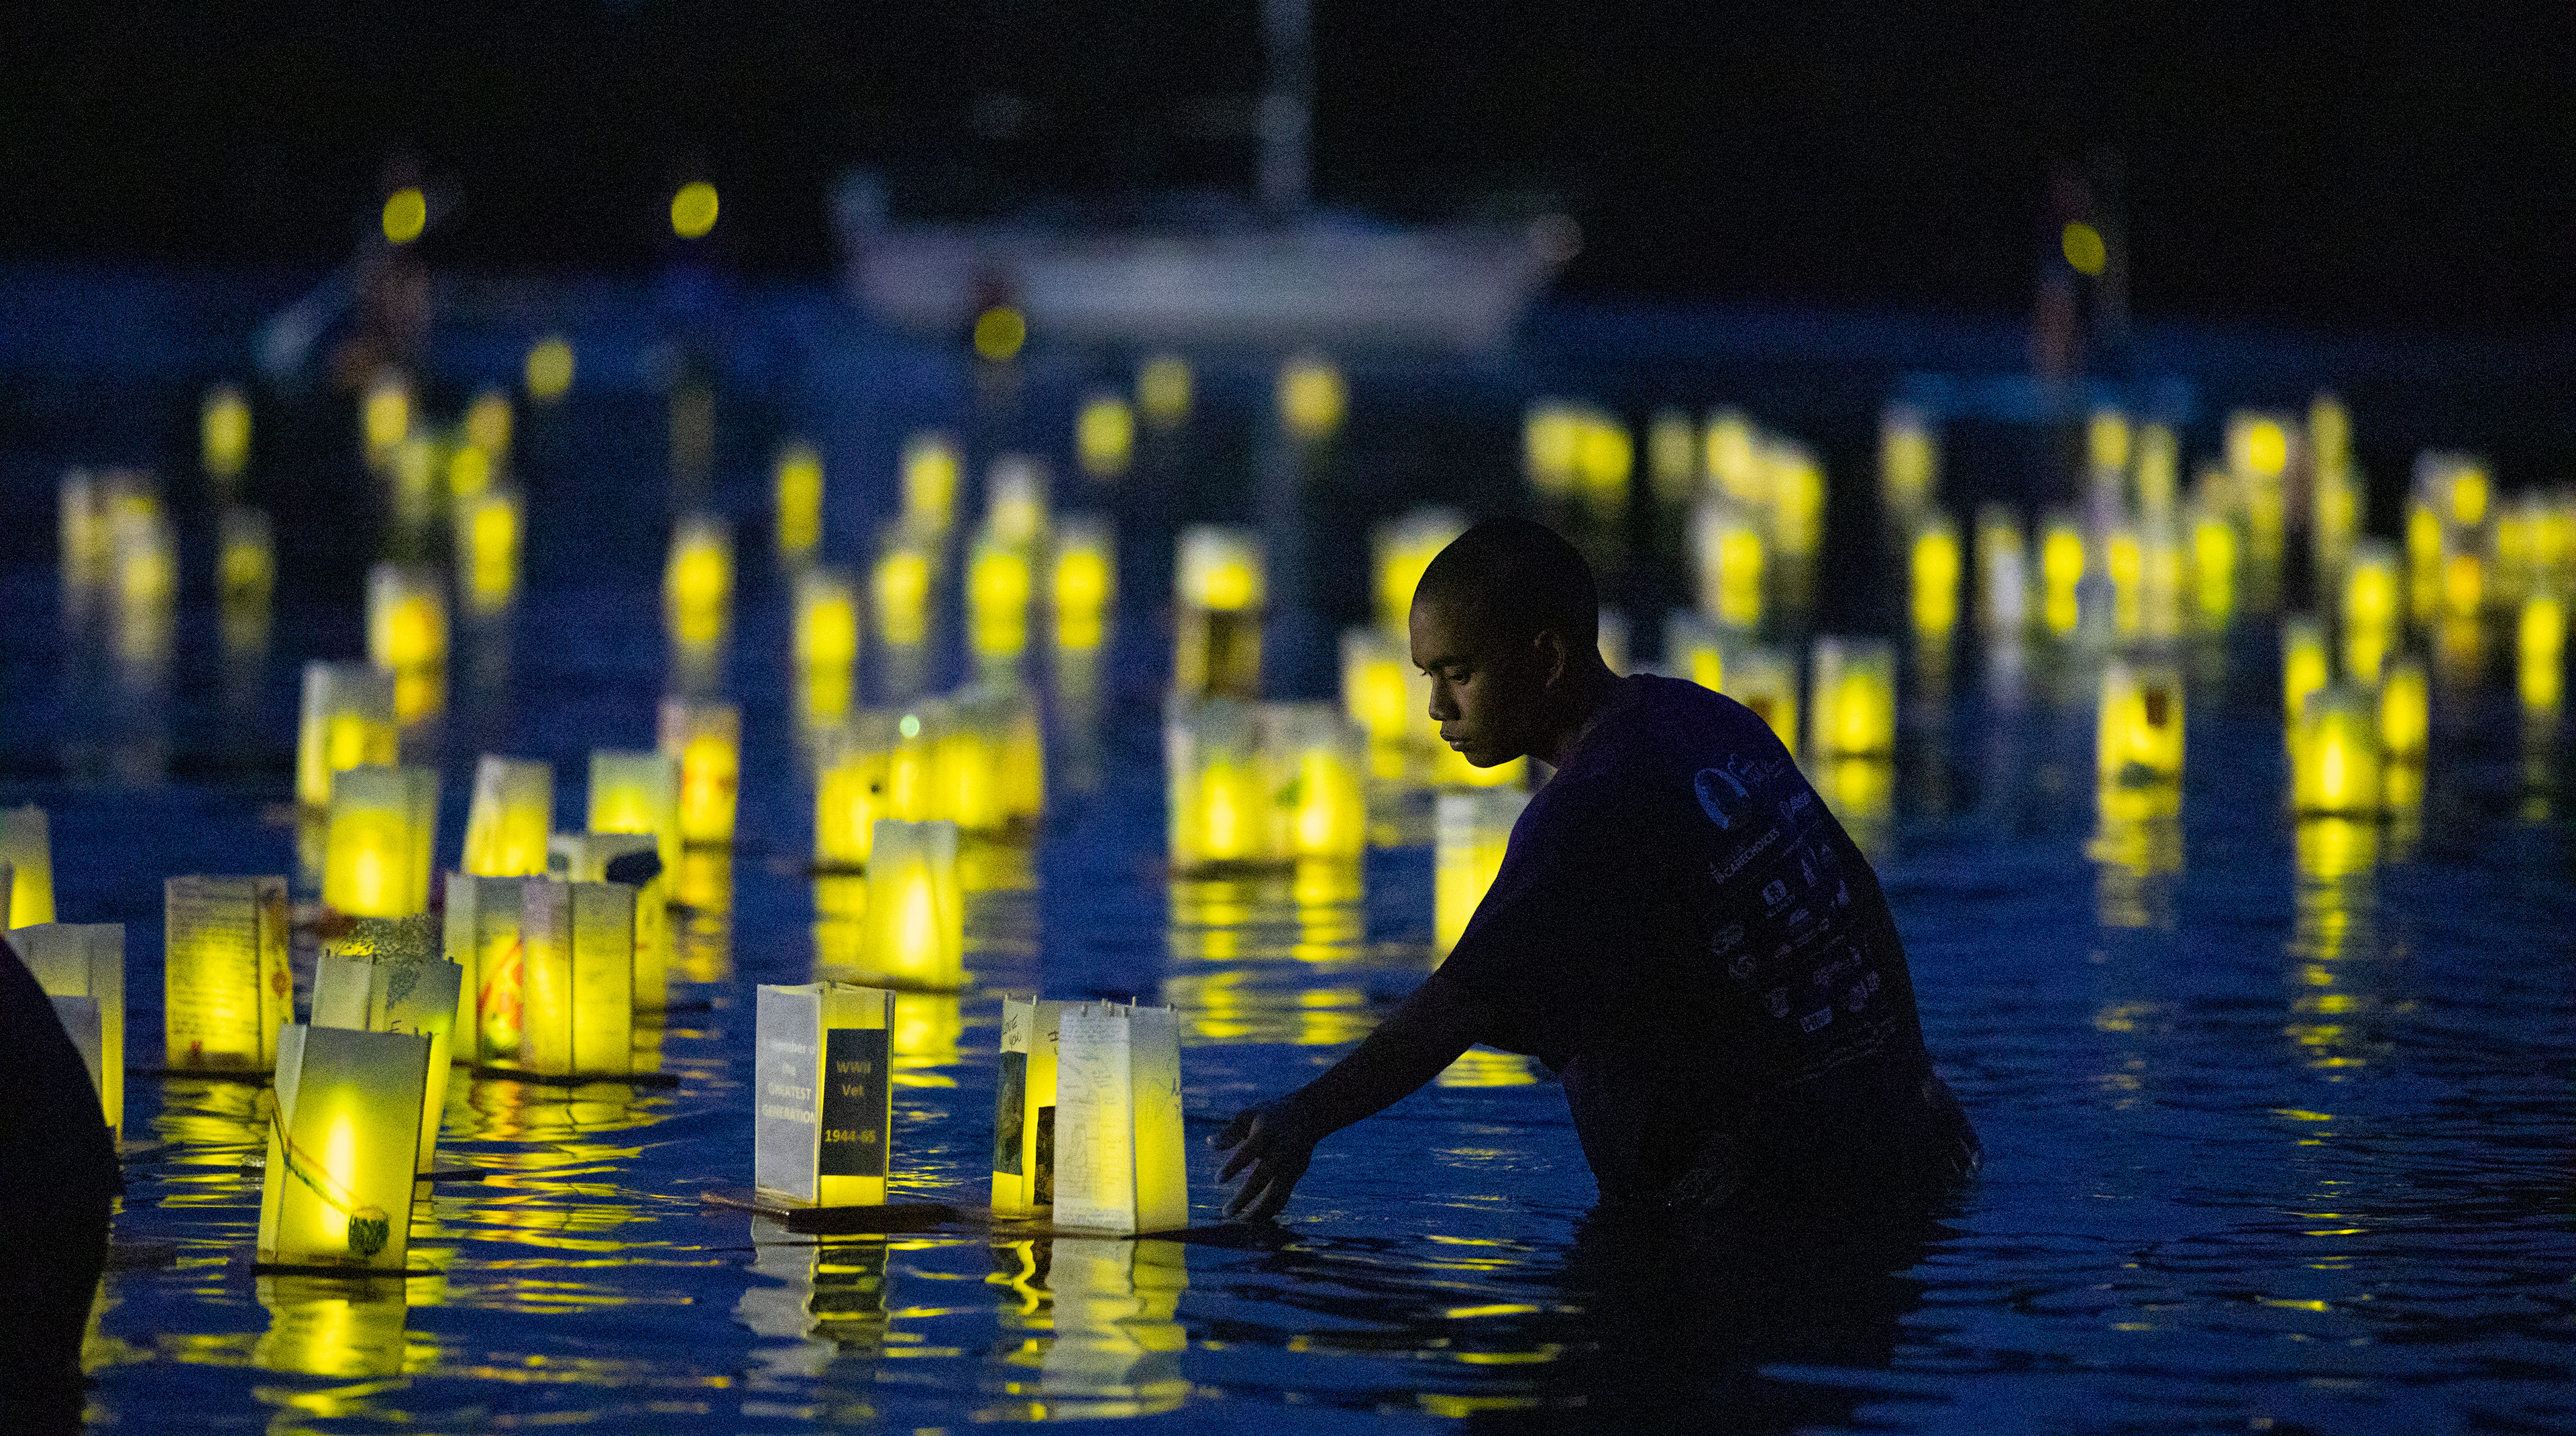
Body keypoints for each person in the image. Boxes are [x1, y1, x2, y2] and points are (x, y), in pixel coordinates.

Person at [1215, 516, 1977, 1221]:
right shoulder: (1703, 716)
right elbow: (1854, 889)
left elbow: (1460, 1005)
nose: (1438, 709)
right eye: (1428, 678)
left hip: (1761, 1215)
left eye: (1459, 673)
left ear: (1546, 658)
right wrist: (1912, 1074)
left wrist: (1303, 1117)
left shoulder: (1588, 808)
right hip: (1897, 1134)